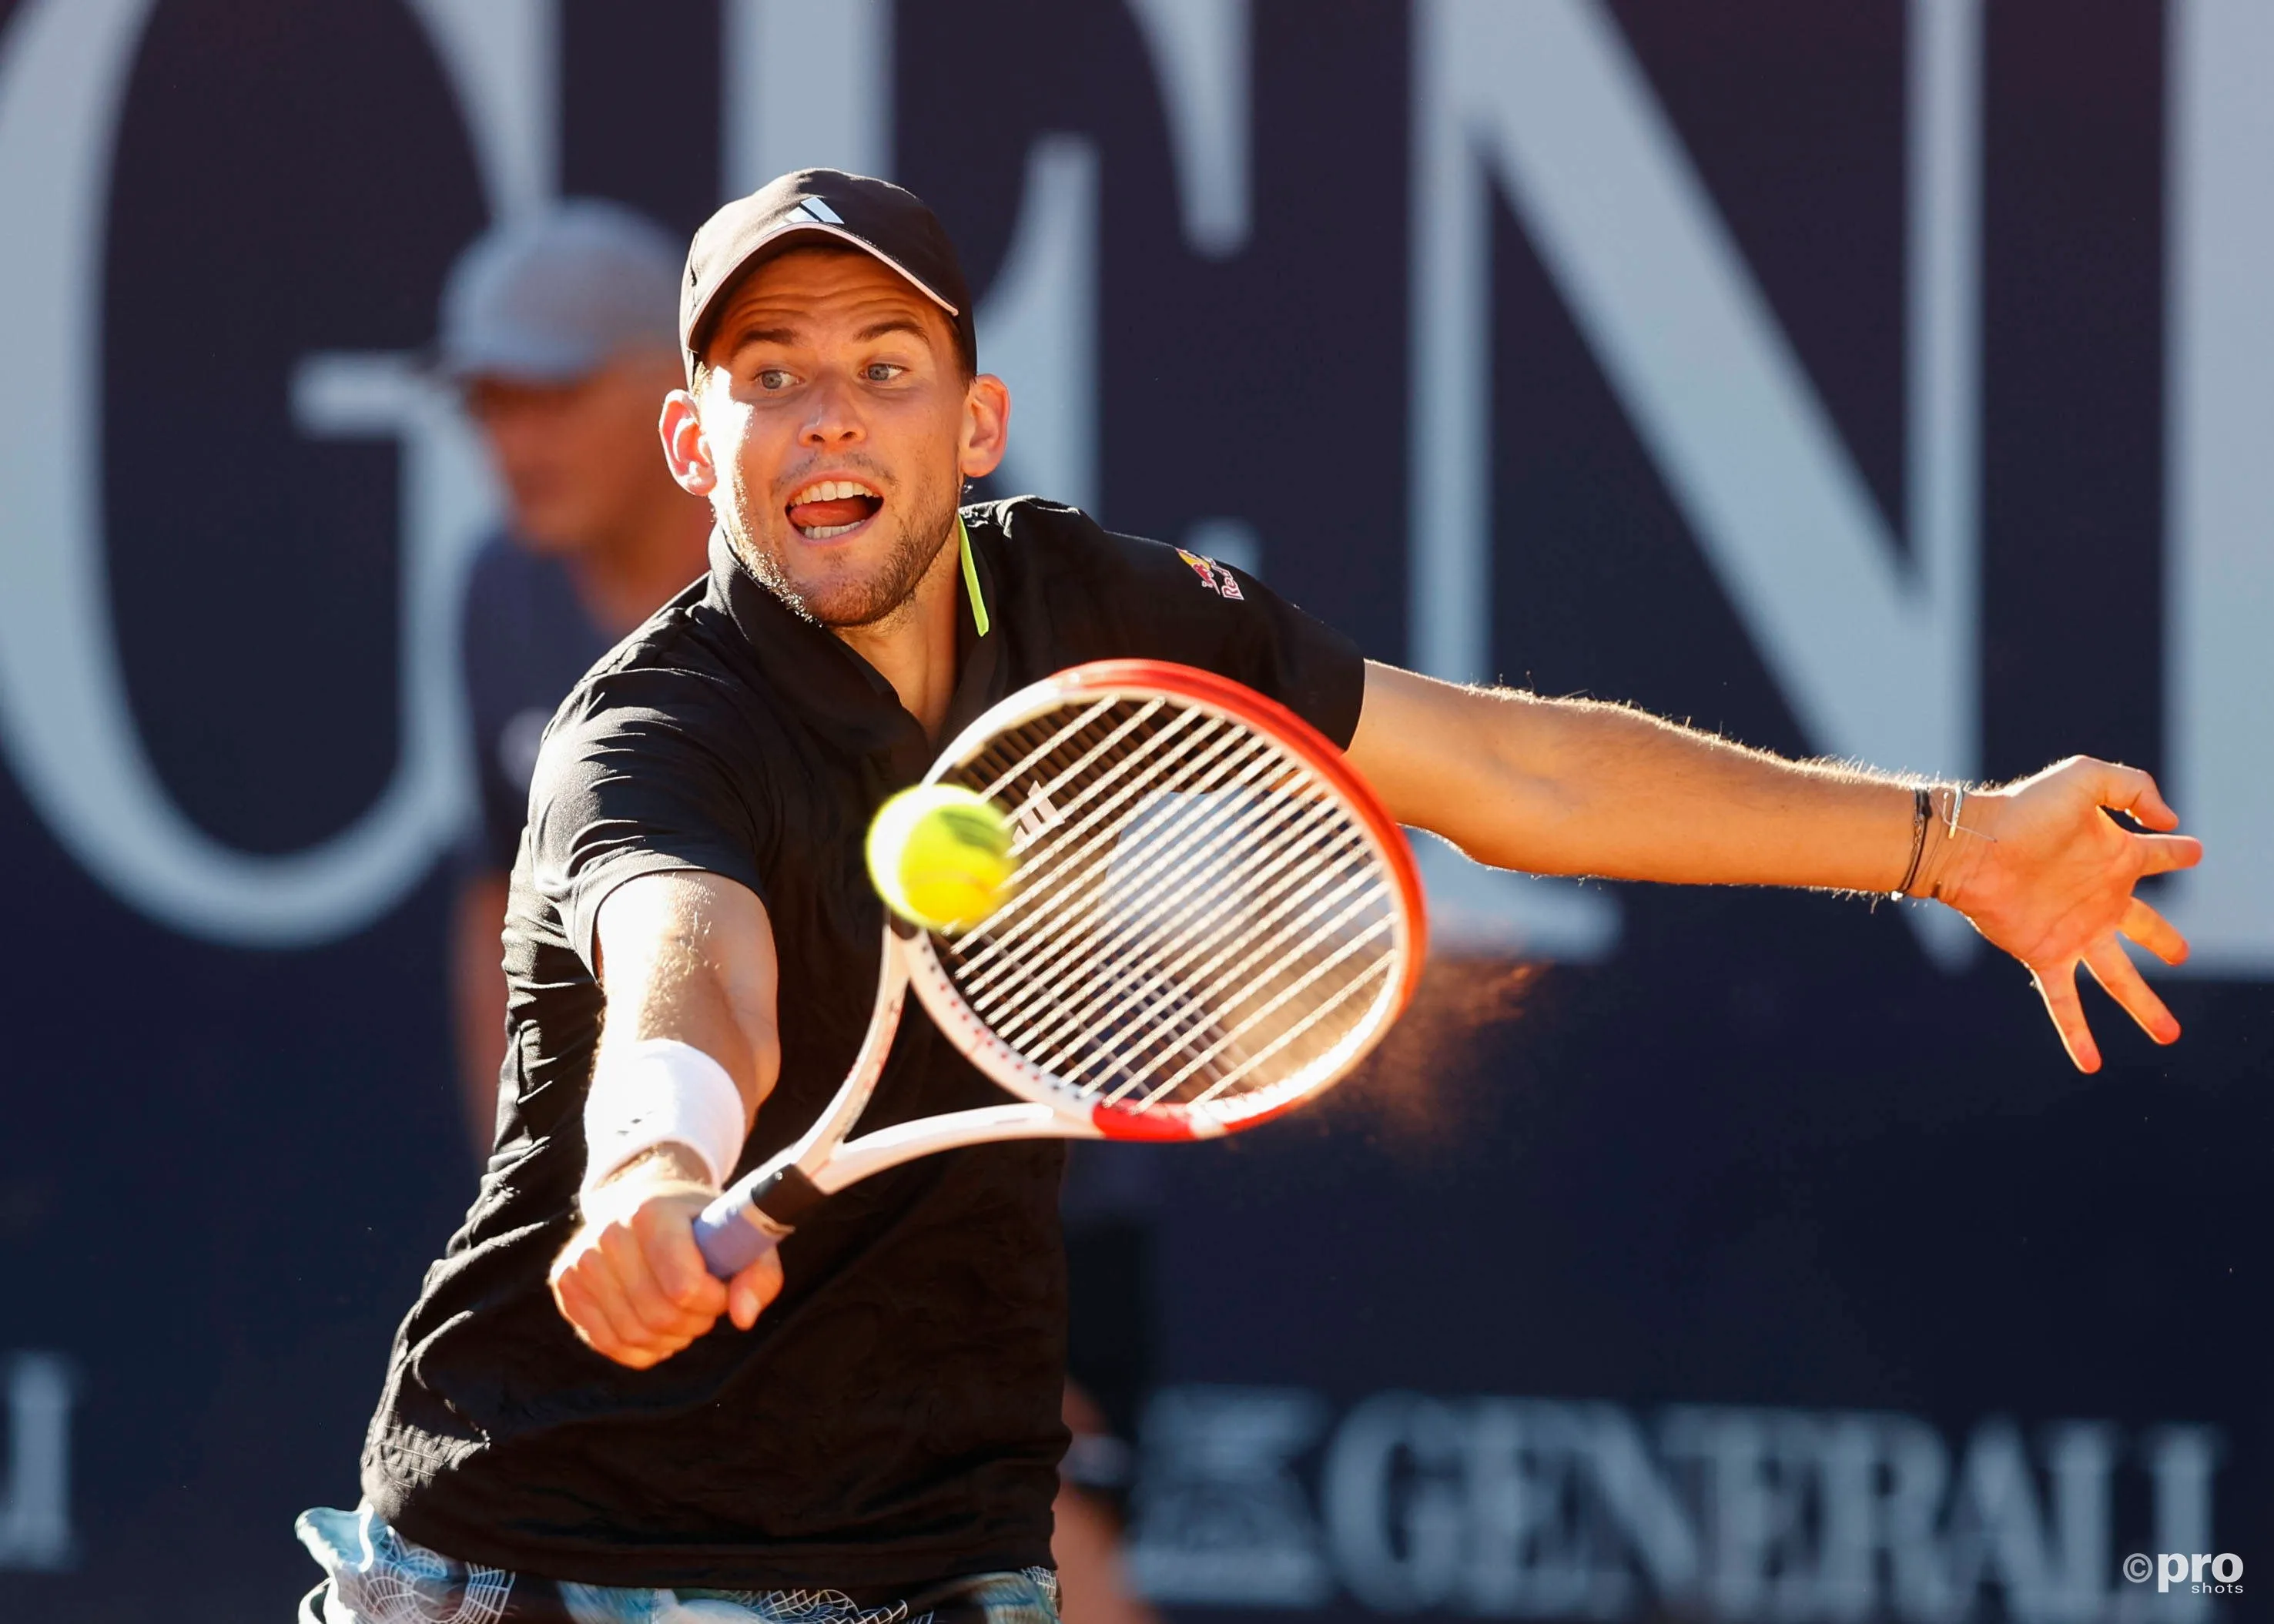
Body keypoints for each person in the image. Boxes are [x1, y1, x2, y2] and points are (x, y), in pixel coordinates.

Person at [298, 169, 2201, 1623]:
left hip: (919, 1553)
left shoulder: (1080, 606)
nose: (826, 423)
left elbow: (1510, 770)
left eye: (884, 372)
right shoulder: (646, 728)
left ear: (972, 426)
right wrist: (647, 1180)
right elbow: (684, 983)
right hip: (548, 1558)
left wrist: (1951, 839)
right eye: (769, 378)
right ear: (692, 441)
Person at [440, 200, 714, 1151]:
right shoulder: (497, 589)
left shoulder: (834, 567)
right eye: (489, 405)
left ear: (673, 394)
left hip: (994, 1226)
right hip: (671, 1217)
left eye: (552, 398)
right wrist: (519, 1194)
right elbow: (503, 913)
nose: (514, 448)